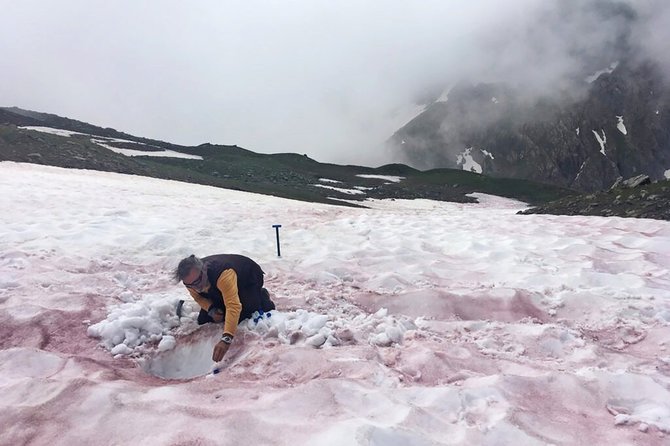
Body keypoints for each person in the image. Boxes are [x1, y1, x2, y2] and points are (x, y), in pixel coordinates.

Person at [174, 254, 275, 362]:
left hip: (248, 277)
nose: (196, 288)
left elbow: (233, 306)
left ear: (204, 270)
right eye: (190, 285)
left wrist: (226, 339)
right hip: (218, 286)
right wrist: (211, 309)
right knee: (204, 319)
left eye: (197, 282)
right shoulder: (191, 281)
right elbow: (198, 297)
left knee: (243, 315)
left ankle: (262, 296)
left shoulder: (223, 274)